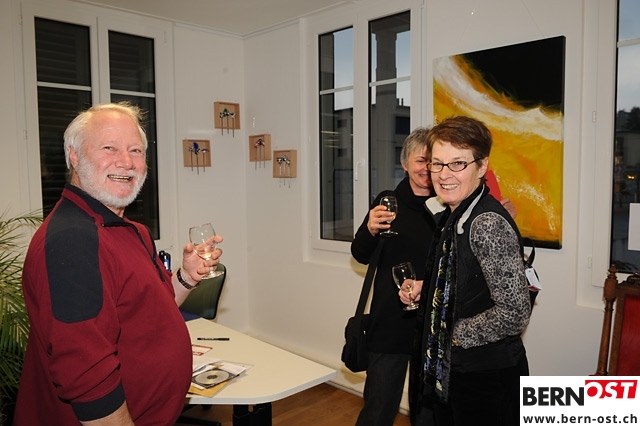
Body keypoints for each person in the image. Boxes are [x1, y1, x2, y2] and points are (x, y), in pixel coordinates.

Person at [14, 102, 223, 426]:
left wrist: (186, 277)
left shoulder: (131, 230)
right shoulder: (74, 240)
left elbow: (151, 309)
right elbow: (86, 377)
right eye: (109, 148)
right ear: (74, 156)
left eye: (135, 150)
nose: (126, 161)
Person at [402, 116, 531, 425]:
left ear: (482, 166)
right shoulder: (456, 213)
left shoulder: (486, 223)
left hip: (485, 380)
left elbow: (515, 312)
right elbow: (465, 280)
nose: (444, 175)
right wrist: (428, 289)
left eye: (458, 163)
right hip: (458, 373)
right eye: (437, 164)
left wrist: (450, 332)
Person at [351, 128, 436, 426]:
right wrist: (370, 230)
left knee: (427, 413)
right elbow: (360, 254)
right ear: (405, 163)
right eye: (420, 160)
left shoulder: (447, 205)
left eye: (433, 162)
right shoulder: (388, 202)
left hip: (431, 322)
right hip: (390, 320)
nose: (426, 168)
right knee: (379, 408)